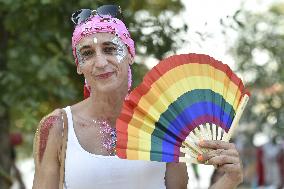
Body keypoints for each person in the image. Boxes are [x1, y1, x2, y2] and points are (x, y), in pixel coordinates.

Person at [32, 5, 243, 189]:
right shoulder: (57, 126)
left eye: (110, 48)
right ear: (79, 65)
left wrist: (230, 179)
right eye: (87, 53)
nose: (101, 62)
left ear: (131, 54)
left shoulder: (165, 124)